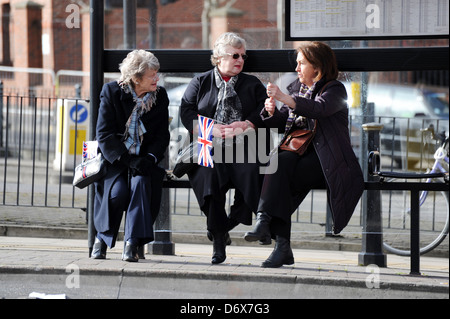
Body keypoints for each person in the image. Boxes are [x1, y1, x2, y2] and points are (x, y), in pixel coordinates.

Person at [244, 41, 365, 268]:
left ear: (317, 68)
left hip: (327, 161)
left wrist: (284, 98)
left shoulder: (334, 89)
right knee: (278, 164)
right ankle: (273, 235)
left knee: (279, 175)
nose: (297, 69)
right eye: (297, 64)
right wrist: (269, 112)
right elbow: (283, 122)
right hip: (299, 154)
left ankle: (269, 228)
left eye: (301, 64)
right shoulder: (297, 90)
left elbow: (317, 109)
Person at [180, 32, 269, 264]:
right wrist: (209, 129)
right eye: (235, 55)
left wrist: (247, 124)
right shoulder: (200, 82)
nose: (240, 60)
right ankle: (219, 241)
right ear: (218, 57)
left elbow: (264, 112)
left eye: (243, 56)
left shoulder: (252, 83)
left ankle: (222, 225)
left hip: (244, 145)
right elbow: (186, 112)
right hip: (208, 143)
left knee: (251, 172)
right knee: (207, 176)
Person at [92, 50, 170, 262]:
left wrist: (150, 158)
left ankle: (131, 243)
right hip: (116, 161)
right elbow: (104, 134)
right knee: (118, 194)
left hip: (145, 162)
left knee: (142, 185)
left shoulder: (160, 96)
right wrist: (127, 160)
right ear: (136, 78)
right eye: (152, 75)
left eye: (157, 74)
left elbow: (163, 135)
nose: (157, 78)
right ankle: (102, 237)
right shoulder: (111, 92)